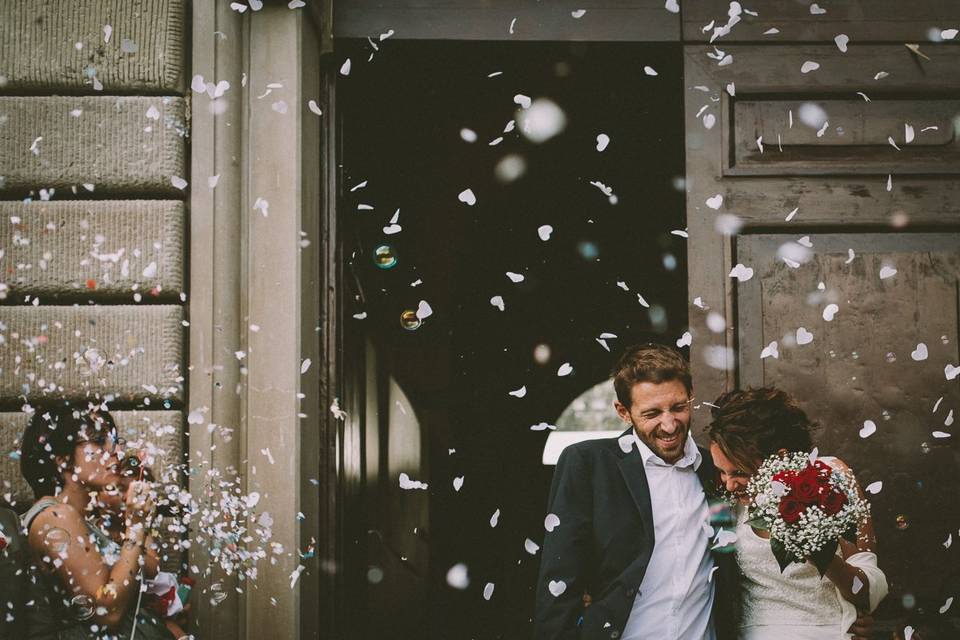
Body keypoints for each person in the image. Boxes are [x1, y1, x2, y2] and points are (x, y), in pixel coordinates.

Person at [534, 344, 739, 640]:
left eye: (678, 407)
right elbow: (559, 582)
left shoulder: (715, 469)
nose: (669, 425)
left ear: (691, 395)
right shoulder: (589, 465)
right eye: (652, 413)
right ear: (623, 411)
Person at [705, 387, 888, 640]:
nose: (728, 484)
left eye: (739, 472)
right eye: (721, 472)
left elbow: (867, 593)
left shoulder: (831, 477)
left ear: (779, 457)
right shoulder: (725, 501)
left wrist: (818, 552)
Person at [18, 402, 177, 639]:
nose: (115, 452)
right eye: (100, 440)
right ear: (62, 459)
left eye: (114, 440)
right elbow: (107, 611)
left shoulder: (82, 519)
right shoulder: (55, 517)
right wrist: (135, 526)